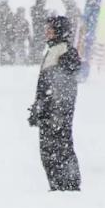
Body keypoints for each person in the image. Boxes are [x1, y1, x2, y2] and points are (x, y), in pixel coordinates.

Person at [29, 15, 82, 191]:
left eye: (50, 28)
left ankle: (67, 184)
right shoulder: (53, 50)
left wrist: (50, 105)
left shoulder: (66, 51)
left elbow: (64, 83)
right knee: (48, 150)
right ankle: (57, 184)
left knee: (60, 147)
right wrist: (39, 106)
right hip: (49, 110)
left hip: (58, 111)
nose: (47, 32)